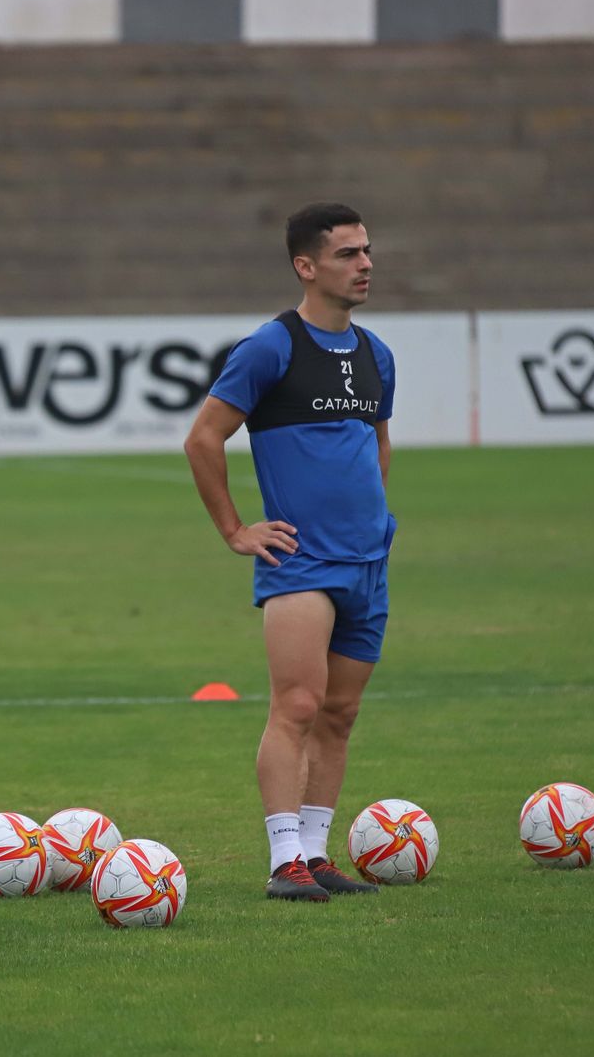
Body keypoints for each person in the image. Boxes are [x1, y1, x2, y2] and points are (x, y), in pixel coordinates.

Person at [183, 202, 396, 902]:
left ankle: (316, 851)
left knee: (340, 714)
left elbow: (376, 444)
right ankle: (282, 862)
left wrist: (375, 520)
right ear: (306, 267)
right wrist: (235, 530)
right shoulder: (271, 349)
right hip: (301, 564)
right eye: (347, 254)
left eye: (366, 251)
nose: (364, 264)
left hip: (368, 563)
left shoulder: (376, 355)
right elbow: (203, 438)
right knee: (297, 706)